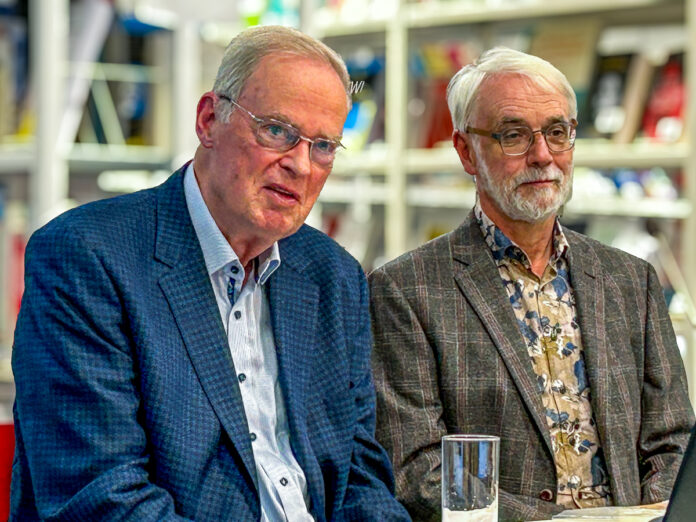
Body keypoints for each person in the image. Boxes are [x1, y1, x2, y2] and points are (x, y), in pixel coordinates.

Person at [11, 25, 410, 522]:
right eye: (277, 131)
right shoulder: (88, 257)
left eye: (324, 145)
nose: (302, 166)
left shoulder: (334, 276)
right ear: (208, 120)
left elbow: (359, 478)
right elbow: (102, 498)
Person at [369, 47, 694, 521]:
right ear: (466, 151)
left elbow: (673, 438)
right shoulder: (405, 290)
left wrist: (659, 516)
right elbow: (417, 473)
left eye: (557, 133)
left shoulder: (631, 280)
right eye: (514, 135)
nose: (542, 156)